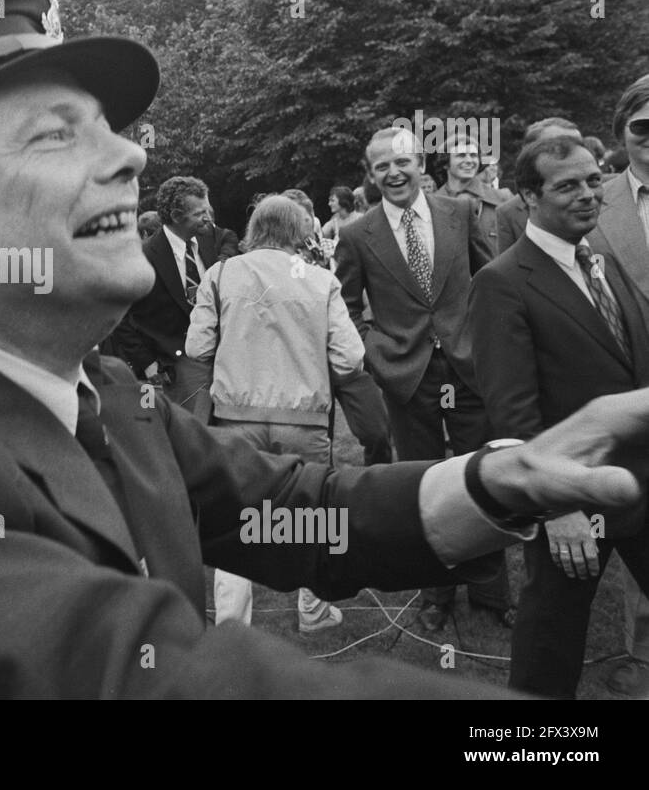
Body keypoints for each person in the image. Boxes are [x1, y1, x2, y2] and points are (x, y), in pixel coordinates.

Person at [0, 0, 648, 699]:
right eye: (57, 137)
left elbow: (297, 514)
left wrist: (497, 478)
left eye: (112, 129)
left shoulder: (112, 397)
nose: (132, 155)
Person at [468, 134, 649, 698]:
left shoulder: (604, 261)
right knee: (550, 650)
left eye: (594, 181)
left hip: (641, 483)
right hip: (570, 500)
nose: (588, 195)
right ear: (528, 195)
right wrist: (557, 508)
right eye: (567, 186)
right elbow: (511, 409)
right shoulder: (501, 283)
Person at [334, 128, 513, 633]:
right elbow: (345, 309)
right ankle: (436, 592)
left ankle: (490, 590)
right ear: (370, 175)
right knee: (422, 483)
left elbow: (491, 280)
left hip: (468, 366)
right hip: (406, 378)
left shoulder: (458, 213)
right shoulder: (356, 234)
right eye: (381, 167)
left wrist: (487, 341)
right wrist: (377, 355)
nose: (394, 173)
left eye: (402, 163)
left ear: (419, 163)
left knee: (484, 474)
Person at [185, 195, 368, 633]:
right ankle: (313, 611)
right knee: (309, 516)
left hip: (235, 417)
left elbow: (197, 348)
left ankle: (232, 628)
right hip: (302, 418)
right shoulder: (319, 280)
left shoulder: (222, 273)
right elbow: (350, 358)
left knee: (236, 520)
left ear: (255, 230)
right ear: (297, 233)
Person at [587, 73, 649, 698]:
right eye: (642, 128)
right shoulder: (591, 201)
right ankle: (639, 662)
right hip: (622, 397)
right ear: (622, 133)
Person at [111, 175, 239, 401]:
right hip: (175, 368)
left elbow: (230, 237)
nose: (208, 219)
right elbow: (120, 316)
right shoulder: (142, 258)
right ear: (176, 216)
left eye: (208, 210)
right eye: (199, 214)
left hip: (224, 361)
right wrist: (148, 364)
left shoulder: (210, 238)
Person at [495, 118, 584, 254]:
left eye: (578, 146)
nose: (572, 154)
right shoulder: (509, 213)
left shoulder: (606, 198)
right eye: (558, 148)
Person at [436, 132, 512, 252]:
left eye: (473, 155)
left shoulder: (502, 199)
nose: (469, 160)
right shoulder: (433, 204)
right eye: (461, 155)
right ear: (446, 163)